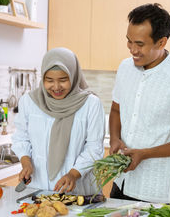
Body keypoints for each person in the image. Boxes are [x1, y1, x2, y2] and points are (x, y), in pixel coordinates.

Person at [109, 3, 170, 203]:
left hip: (154, 191)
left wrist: (145, 154)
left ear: (161, 42)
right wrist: (115, 139)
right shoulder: (125, 68)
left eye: (140, 44)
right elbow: (116, 110)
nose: (132, 50)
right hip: (120, 181)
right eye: (129, 41)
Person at [12, 47, 105, 195]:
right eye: (49, 80)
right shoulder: (29, 101)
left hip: (78, 191)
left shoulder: (91, 104)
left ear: (73, 76)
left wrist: (74, 174)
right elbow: (21, 137)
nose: (56, 87)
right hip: (38, 188)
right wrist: (26, 162)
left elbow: (94, 148)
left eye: (63, 80)